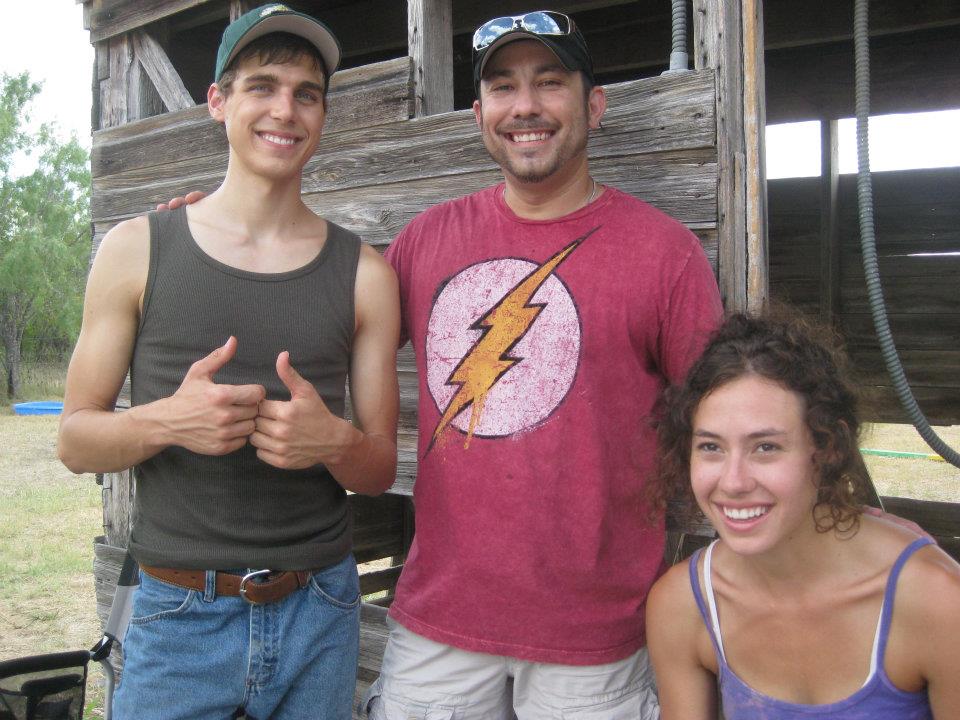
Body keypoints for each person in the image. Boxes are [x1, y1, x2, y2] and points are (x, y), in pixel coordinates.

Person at [363, 11, 722, 719]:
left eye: (550, 83)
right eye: (503, 87)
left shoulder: (664, 255)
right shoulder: (423, 242)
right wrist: (218, 227)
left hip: (598, 643)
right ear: (479, 114)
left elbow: (726, 422)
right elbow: (322, 316)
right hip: (440, 627)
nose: (525, 106)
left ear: (593, 103)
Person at [57, 5, 400, 719]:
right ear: (218, 102)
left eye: (307, 93)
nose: (286, 110)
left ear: (324, 114)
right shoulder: (137, 249)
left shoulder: (366, 274)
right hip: (176, 617)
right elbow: (74, 438)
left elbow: (376, 468)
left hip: (319, 610)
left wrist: (332, 440)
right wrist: (168, 421)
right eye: (262, 87)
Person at [645, 311, 960, 719]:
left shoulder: (934, 601)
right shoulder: (683, 604)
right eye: (711, 447)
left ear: (827, 448)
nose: (734, 481)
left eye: (766, 447)